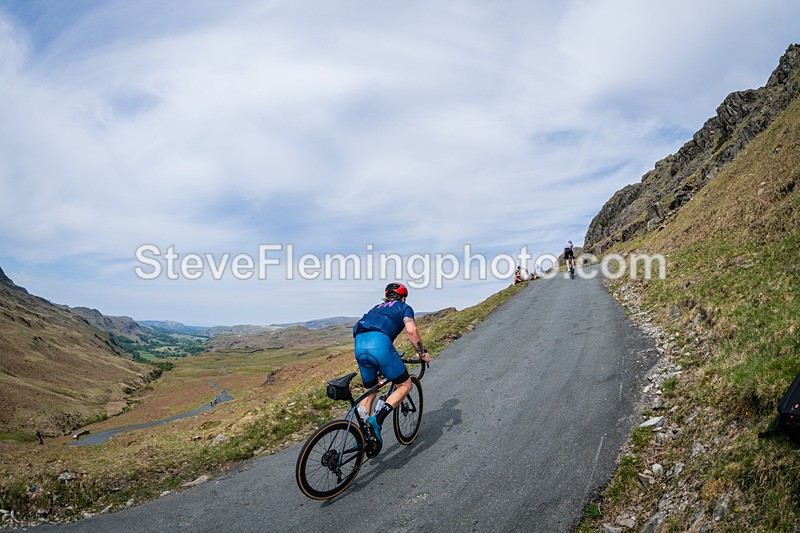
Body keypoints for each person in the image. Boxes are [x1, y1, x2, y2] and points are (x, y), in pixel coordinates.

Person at [352, 283, 431, 450]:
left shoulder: (376, 308)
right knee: (405, 384)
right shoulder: (404, 307)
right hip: (379, 345)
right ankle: (377, 419)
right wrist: (422, 353)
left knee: (370, 391)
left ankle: (361, 433)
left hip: (359, 345)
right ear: (403, 297)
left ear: (387, 296)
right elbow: (411, 330)